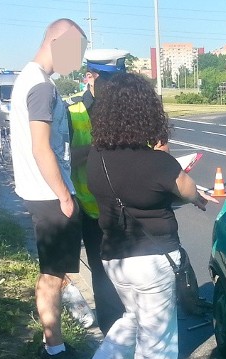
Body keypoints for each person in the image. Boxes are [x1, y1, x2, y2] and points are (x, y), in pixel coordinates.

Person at [77, 73, 217, 359]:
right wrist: (170, 161)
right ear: (146, 112)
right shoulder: (158, 163)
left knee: (133, 320)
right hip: (154, 260)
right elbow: (187, 191)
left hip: (115, 257)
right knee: (158, 341)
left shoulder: (97, 158)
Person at [10, 19, 88, 359]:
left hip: (38, 191)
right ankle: (54, 350)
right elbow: (42, 148)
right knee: (54, 275)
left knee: (51, 272)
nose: (78, 60)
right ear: (59, 42)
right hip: (49, 193)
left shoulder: (29, 79)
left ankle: (51, 344)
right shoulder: (41, 87)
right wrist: (65, 196)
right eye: (77, 51)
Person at [67, 48, 128, 335]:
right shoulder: (74, 113)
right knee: (104, 281)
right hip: (94, 213)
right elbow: (62, 158)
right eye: (108, 80)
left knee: (131, 280)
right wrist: (95, 150)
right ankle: (112, 341)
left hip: (129, 211)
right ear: (90, 77)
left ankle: (132, 341)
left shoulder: (127, 110)